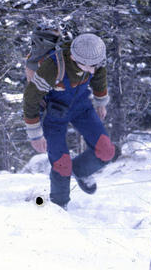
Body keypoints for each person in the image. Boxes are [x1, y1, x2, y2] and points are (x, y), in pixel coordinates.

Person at [23, 32, 116, 210]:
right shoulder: (53, 66)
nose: (91, 70)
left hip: (82, 107)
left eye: (94, 66)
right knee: (61, 164)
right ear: (73, 57)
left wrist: (100, 101)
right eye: (85, 66)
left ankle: (81, 171)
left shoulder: (94, 59)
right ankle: (59, 207)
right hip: (55, 113)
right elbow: (31, 98)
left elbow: (99, 77)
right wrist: (35, 134)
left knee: (106, 151)